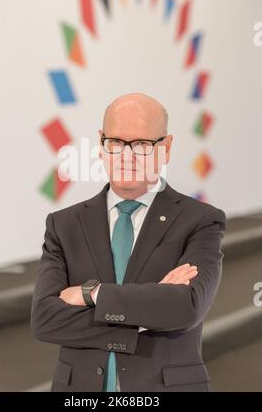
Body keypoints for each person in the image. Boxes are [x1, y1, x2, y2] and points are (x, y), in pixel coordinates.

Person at [31, 92, 226, 392]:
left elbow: (186, 308)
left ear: (167, 147)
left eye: (142, 145)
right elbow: (45, 319)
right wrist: (148, 311)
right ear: (101, 143)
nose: (127, 155)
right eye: (116, 143)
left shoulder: (200, 221)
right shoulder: (64, 225)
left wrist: (92, 295)